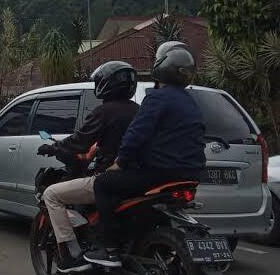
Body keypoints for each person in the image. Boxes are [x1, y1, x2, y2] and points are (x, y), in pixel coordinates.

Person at [84, 42, 207, 268]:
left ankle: (108, 248)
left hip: (159, 174)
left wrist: (120, 163)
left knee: (103, 184)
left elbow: (136, 134)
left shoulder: (157, 98)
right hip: (190, 174)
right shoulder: (191, 102)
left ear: (161, 66)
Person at [36, 61, 139, 273]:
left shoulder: (103, 112)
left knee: (51, 194)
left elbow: (80, 141)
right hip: (138, 178)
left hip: (109, 178)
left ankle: (73, 254)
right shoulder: (140, 110)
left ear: (105, 85)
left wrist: (54, 147)